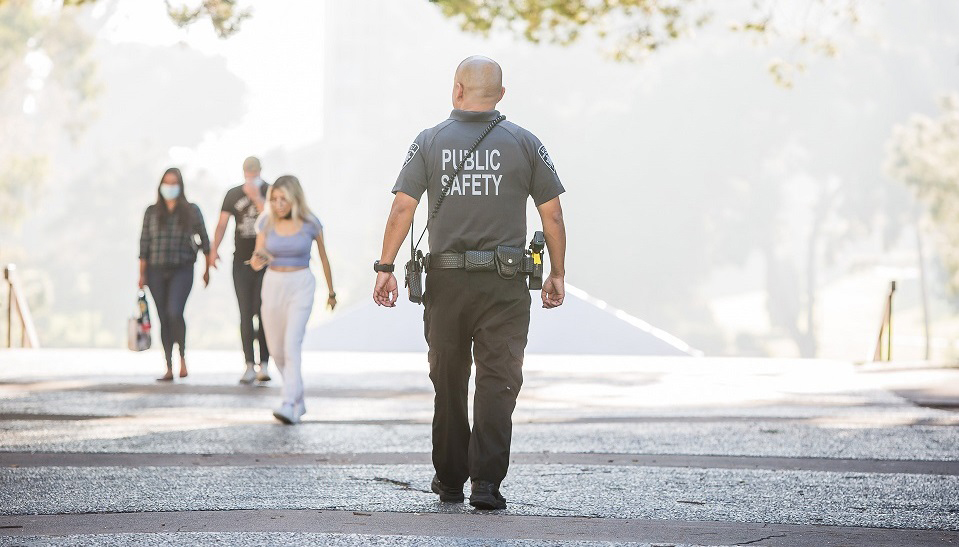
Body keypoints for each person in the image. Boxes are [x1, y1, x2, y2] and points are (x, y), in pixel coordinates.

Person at [372, 56, 567, 510]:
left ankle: (449, 482)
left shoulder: (429, 141)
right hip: (505, 283)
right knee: (499, 381)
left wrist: (385, 268)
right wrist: (556, 272)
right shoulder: (525, 142)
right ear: (501, 94)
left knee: (449, 379)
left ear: (456, 89)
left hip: (447, 282)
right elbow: (552, 214)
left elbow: (403, 209)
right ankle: (486, 485)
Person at [249, 175, 336, 424]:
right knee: (276, 350)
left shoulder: (310, 222)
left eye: (283, 199)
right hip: (273, 284)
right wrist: (259, 258)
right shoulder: (265, 221)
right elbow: (256, 261)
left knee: (291, 344)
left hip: (301, 283)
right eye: (274, 199)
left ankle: (288, 402)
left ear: (294, 198)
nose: (278, 204)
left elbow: (324, 258)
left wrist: (331, 292)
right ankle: (298, 399)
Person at [138, 167, 211, 382]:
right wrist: (141, 275)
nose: (170, 187)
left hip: (182, 269)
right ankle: (168, 366)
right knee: (163, 317)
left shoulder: (191, 210)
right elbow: (144, 244)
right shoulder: (151, 212)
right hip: (155, 271)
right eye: (166, 183)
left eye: (174, 183)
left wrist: (207, 270)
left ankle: (183, 358)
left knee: (174, 312)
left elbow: (205, 241)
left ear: (180, 186)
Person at [210, 156, 272, 385]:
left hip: (266, 262)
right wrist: (213, 250)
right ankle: (248, 364)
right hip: (241, 262)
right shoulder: (232, 194)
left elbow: (273, 219)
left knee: (264, 312)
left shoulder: (269, 190)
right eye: (248, 171)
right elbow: (222, 223)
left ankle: (264, 364)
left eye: (254, 171)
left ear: (260, 171)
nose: (251, 175)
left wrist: (257, 198)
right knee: (245, 313)